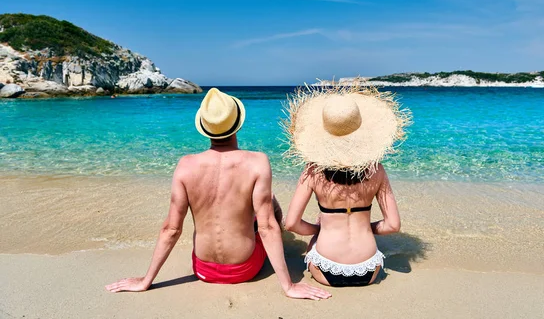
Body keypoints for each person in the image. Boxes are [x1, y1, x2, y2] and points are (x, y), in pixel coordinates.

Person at [105, 88, 331, 300]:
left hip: (202, 270)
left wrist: (146, 280)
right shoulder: (257, 162)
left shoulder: (185, 165)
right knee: (268, 203)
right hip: (246, 269)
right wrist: (288, 286)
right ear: (238, 125)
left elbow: (171, 229)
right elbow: (267, 227)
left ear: (204, 127)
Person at [283, 84, 410, 287]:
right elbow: (393, 225)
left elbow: (291, 224)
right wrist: (364, 227)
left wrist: (319, 228)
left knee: (314, 243)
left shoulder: (312, 171)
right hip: (369, 271)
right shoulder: (376, 170)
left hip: (325, 271)